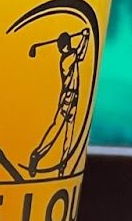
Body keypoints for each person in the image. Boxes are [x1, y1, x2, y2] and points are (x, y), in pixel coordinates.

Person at [28, 29, 89, 177]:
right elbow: (80, 54)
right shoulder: (66, 60)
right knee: (55, 130)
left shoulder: (71, 55)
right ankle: (36, 156)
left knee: (69, 134)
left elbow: (80, 54)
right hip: (67, 98)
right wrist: (85, 38)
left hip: (75, 97)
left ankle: (63, 165)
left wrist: (85, 38)